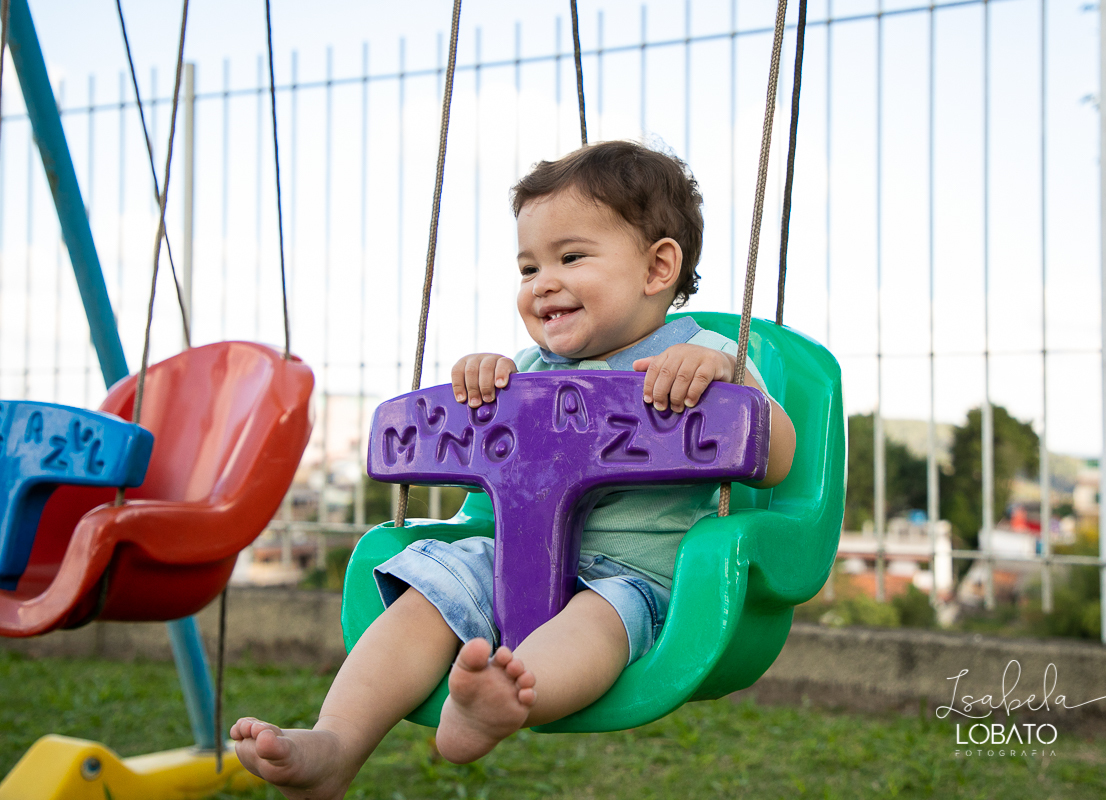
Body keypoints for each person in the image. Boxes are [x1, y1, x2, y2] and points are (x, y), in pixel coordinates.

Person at [230, 140, 796, 799]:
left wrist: (727, 387)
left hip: (635, 579)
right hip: (510, 560)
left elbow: (775, 459)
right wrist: (478, 383)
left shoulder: (704, 357)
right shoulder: (529, 373)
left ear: (657, 268)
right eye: (529, 267)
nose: (542, 282)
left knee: (599, 621)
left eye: (571, 257)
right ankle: (336, 740)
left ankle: (503, 697)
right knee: (429, 594)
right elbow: (466, 444)